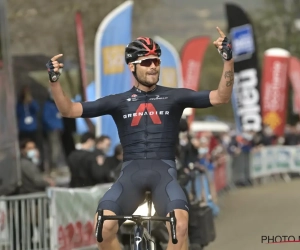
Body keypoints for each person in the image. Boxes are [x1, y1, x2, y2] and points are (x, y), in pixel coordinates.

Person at [46, 27, 234, 250]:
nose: (153, 66)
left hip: (164, 174)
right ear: (132, 67)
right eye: (146, 62)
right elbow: (68, 110)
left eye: (156, 61)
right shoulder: (118, 101)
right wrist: (55, 82)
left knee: (180, 228)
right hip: (130, 175)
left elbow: (221, 96)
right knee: (102, 228)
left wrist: (227, 60)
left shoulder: (175, 96)